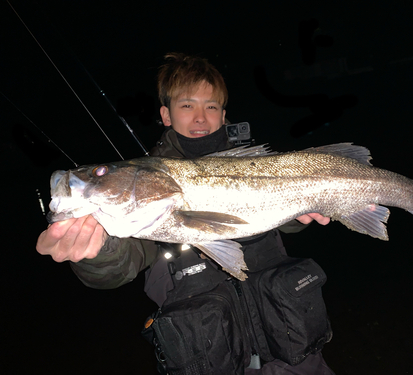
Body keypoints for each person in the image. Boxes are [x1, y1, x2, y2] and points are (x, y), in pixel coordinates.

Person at [36, 53, 335, 374]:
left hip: (293, 353)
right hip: (212, 357)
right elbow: (119, 266)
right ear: (165, 114)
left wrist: (300, 210)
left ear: (223, 115)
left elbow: (288, 223)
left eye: (211, 106)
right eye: (187, 105)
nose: (200, 118)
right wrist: (96, 252)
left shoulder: (256, 162)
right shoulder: (148, 186)